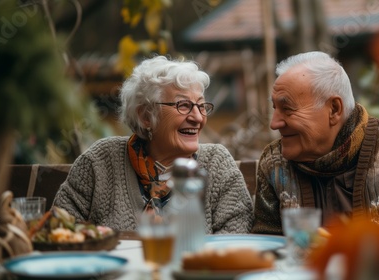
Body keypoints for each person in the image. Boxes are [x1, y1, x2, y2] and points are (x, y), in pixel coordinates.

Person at [251, 51, 379, 235]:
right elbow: (266, 245)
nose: (274, 123)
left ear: (334, 110)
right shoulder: (274, 164)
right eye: (275, 108)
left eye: (287, 109)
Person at [53, 55, 254, 233]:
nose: (197, 117)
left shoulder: (217, 164)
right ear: (145, 116)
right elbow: (59, 230)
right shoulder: (99, 162)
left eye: (201, 106)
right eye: (183, 105)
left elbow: (236, 241)